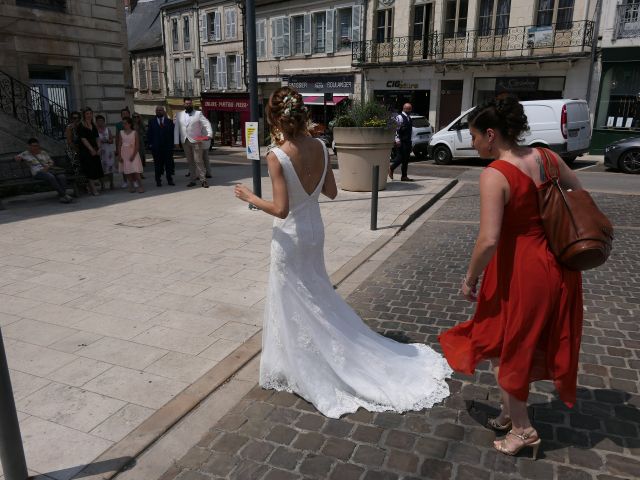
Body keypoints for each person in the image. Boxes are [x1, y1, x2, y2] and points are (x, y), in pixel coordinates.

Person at [234, 87, 451, 418]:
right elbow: (332, 192)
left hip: (290, 237)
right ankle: (313, 352)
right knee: (316, 293)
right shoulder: (320, 146)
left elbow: (280, 209)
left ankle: (303, 361)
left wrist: (250, 197)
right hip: (314, 231)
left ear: (275, 118)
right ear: (301, 114)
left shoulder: (276, 156)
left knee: (293, 298)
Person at [438, 95, 584, 459]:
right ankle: (508, 412)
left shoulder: (495, 175)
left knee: (511, 349)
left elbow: (488, 240)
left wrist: (471, 279)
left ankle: (524, 429)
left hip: (520, 271)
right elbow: (578, 193)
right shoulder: (547, 157)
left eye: (473, 137)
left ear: (491, 135)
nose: (472, 144)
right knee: (509, 341)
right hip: (555, 265)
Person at [15, 138, 73, 203]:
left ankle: (62, 195)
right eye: (34, 146)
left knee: (62, 176)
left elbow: (51, 162)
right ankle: (64, 195)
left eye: (37, 145)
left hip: (49, 170)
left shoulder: (43, 152)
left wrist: (48, 167)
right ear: (29, 146)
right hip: (38, 172)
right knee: (51, 177)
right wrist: (19, 159)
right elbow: (16, 157)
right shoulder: (26, 153)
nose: (36, 147)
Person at [174, 97, 212, 188]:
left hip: (196, 140)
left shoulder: (198, 114)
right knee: (190, 161)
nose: (188, 105)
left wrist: (209, 134)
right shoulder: (179, 115)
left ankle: (203, 180)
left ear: (192, 104)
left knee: (198, 161)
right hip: (185, 141)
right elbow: (176, 129)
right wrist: (176, 141)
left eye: (190, 103)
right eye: (186, 103)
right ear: (184, 104)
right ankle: (192, 180)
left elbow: (206, 124)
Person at [77, 107, 104, 196]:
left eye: (90, 113)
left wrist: (99, 148)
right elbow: (83, 139)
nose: (89, 115)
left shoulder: (93, 125)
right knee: (90, 170)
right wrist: (91, 149)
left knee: (95, 169)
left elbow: (97, 137)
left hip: (95, 149)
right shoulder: (81, 125)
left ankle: (90, 187)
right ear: (84, 115)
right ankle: (93, 189)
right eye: (87, 114)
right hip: (86, 151)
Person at [147, 106, 175, 186]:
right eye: (157, 110)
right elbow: (150, 134)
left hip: (167, 147)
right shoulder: (151, 122)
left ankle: (169, 179)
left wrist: (173, 144)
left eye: (160, 110)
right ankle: (158, 180)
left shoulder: (169, 122)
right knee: (157, 165)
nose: (159, 111)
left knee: (168, 164)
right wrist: (150, 144)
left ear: (163, 111)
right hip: (156, 147)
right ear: (155, 112)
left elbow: (172, 134)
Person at [118, 117, 145, 193]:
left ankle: (141, 186)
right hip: (124, 154)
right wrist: (119, 156)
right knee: (128, 171)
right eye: (123, 123)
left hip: (133, 153)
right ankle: (131, 186)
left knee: (136, 171)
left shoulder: (134, 132)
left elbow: (137, 145)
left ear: (129, 124)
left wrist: (133, 155)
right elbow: (119, 145)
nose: (124, 125)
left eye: (125, 123)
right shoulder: (121, 132)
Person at [389, 103, 414, 181]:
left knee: (406, 159)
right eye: (408, 109)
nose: (410, 111)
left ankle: (404, 176)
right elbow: (396, 129)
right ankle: (391, 168)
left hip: (408, 141)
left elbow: (410, 131)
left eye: (410, 109)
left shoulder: (409, 118)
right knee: (400, 158)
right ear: (404, 109)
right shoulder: (400, 117)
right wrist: (397, 140)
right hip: (401, 141)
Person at [96, 114, 115, 190]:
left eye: (101, 121)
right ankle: (102, 184)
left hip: (108, 151)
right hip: (100, 151)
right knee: (100, 168)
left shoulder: (108, 129)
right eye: (98, 121)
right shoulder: (95, 130)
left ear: (104, 121)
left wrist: (107, 140)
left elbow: (111, 140)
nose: (100, 122)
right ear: (96, 122)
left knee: (110, 167)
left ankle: (111, 183)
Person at [115, 108, 132, 189]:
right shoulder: (118, 125)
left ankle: (134, 180)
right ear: (121, 115)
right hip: (123, 147)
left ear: (129, 114)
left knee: (133, 164)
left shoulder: (133, 123)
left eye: (126, 113)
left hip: (132, 147)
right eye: (123, 114)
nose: (125, 115)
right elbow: (117, 138)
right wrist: (117, 150)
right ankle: (125, 181)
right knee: (124, 165)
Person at [132, 113, 147, 178]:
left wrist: (141, 120)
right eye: (134, 117)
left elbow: (145, 130)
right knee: (135, 159)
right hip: (133, 144)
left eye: (137, 117)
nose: (136, 118)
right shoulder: (131, 125)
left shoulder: (140, 125)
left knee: (141, 158)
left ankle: (140, 173)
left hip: (140, 144)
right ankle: (136, 173)